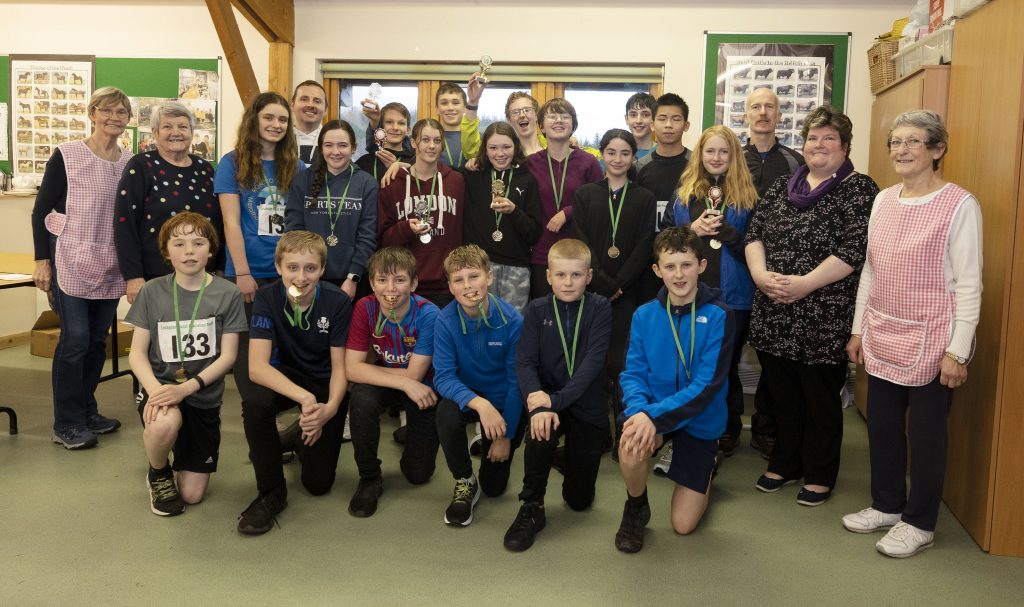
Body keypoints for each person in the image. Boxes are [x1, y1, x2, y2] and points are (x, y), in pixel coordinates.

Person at [843, 110, 982, 558]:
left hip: (934, 340)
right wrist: (858, 330)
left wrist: (958, 353)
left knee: (926, 438)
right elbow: (870, 270)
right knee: (882, 427)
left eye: (913, 142)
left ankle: (920, 522)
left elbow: (969, 284)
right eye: (895, 142)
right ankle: (887, 504)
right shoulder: (883, 200)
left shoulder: (960, 204)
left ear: (937, 150)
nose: (900, 151)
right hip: (883, 331)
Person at [745, 105, 878, 506]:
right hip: (774, 308)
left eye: (829, 138)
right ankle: (786, 463)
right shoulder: (782, 185)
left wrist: (804, 284)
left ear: (845, 146)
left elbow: (855, 248)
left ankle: (819, 473)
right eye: (812, 138)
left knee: (819, 397)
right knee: (781, 392)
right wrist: (760, 275)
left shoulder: (859, 188)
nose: (819, 145)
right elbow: (754, 232)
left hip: (824, 311)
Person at [614, 226, 734, 553]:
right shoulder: (644, 315)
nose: (678, 274)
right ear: (657, 271)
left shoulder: (720, 316)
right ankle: (636, 506)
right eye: (669, 266)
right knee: (630, 444)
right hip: (654, 411)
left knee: (682, 526)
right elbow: (633, 373)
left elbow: (706, 385)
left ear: (702, 266)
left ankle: (708, 464)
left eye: (686, 265)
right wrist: (640, 411)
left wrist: (652, 417)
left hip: (699, 418)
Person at [31, 86, 133, 450]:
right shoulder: (68, 155)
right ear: (92, 113)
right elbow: (40, 210)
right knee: (73, 342)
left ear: (128, 120)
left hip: (109, 262)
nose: (113, 118)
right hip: (69, 258)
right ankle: (67, 423)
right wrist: (42, 261)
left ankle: (88, 410)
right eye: (106, 110)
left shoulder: (128, 161)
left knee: (95, 342)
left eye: (121, 112)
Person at [125, 212, 246, 516]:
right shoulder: (152, 292)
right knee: (165, 423)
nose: (189, 251)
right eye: (179, 244)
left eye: (198, 242)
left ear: (211, 249)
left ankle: (181, 447)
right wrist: (156, 390)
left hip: (202, 394)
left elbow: (228, 356)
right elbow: (136, 353)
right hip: (160, 389)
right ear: (166, 252)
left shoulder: (228, 293)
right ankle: (158, 471)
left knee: (192, 496)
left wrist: (187, 389)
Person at [236, 231, 353, 535]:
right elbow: (258, 368)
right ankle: (272, 493)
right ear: (278, 267)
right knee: (256, 403)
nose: (301, 277)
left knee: (317, 485)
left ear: (322, 270)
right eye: (292, 267)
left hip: (324, 382)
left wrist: (330, 408)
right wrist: (305, 399)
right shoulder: (266, 297)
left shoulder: (338, 302)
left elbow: (342, 368)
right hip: (289, 379)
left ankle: (293, 437)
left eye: (310, 268)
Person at [504, 238, 612, 551]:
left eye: (576, 275)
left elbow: (593, 363)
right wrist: (538, 403)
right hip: (548, 402)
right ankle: (532, 506)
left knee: (578, 502)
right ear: (548, 276)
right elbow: (524, 362)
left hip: (584, 403)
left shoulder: (600, 308)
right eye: (560, 275)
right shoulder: (537, 310)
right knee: (540, 430)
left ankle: (568, 457)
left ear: (589, 276)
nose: (568, 282)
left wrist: (556, 400)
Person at [662, 125, 759, 458]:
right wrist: (692, 230)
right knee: (689, 361)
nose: (716, 158)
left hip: (735, 296)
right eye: (710, 151)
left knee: (725, 366)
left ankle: (728, 428)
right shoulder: (684, 194)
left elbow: (760, 247)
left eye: (724, 152)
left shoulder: (749, 196)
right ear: (699, 155)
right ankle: (687, 423)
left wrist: (730, 234)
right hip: (691, 293)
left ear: (733, 157)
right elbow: (666, 242)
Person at [571, 128, 656, 446]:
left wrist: (618, 285)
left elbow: (646, 243)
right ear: (602, 154)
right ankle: (593, 433)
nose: (618, 159)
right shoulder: (585, 194)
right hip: (592, 291)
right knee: (591, 360)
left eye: (625, 153)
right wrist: (603, 282)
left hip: (628, 293)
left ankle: (625, 434)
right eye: (611, 152)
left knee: (623, 365)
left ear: (634, 158)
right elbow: (582, 240)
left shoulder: (643, 198)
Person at [345, 247, 441, 517]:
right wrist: (406, 382)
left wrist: (409, 382)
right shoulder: (365, 307)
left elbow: (416, 375)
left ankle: (411, 434)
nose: (390, 288)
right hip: (394, 382)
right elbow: (352, 369)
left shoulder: (429, 314)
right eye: (382, 280)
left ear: (413, 284)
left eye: (399, 280)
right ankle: (369, 477)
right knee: (361, 399)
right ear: (372, 283)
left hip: (425, 389)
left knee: (418, 475)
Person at [433, 244, 524, 527]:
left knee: (494, 488)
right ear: (450, 287)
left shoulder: (512, 320)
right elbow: (443, 377)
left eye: (474, 277)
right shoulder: (444, 320)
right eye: (458, 280)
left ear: (489, 277)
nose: (468, 286)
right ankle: (463, 480)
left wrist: (504, 436)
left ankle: (489, 442)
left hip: (502, 400)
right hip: (470, 399)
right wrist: (480, 404)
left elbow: (516, 383)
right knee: (445, 412)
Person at [742, 87, 805, 460]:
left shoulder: (795, 160)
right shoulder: (733, 156)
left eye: (770, 106)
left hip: (778, 274)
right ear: (745, 114)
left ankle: (765, 428)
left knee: (772, 356)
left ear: (779, 115)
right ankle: (727, 430)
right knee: (727, 349)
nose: (763, 112)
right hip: (736, 267)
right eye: (756, 107)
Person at [116, 101, 221, 303]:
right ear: (155, 132)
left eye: (182, 126)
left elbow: (217, 224)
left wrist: (220, 267)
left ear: (192, 131)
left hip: (203, 275)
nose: (176, 132)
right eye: (167, 126)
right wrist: (133, 277)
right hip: (156, 277)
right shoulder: (140, 166)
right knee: (161, 333)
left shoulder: (205, 169)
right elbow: (124, 223)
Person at [285, 119, 378, 299]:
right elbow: (294, 232)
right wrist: (303, 275)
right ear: (321, 148)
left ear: (353, 147)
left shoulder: (367, 184)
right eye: (329, 145)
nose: (335, 152)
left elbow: (367, 236)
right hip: (309, 278)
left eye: (342, 145)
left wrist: (353, 278)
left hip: (352, 281)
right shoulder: (302, 181)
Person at [378, 118, 466, 307]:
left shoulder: (457, 181)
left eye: (437, 140)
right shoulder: (392, 183)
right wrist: (405, 228)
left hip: (446, 284)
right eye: (425, 140)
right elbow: (383, 239)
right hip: (406, 284)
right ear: (413, 142)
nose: (432, 146)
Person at [526, 98, 604, 298]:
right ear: (541, 126)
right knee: (544, 315)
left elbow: (598, 203)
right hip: (542, 254)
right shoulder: (530, 163)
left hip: (579, 252)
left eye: (565, 116)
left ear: (573, 125)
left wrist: (568, 213)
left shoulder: (589, 162)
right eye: (552, 116)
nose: (558, 120)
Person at [461, 121, 543, 310]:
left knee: (513, 327)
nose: (500, 154)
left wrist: (514, 211)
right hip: (478, 266)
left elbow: (533, 233)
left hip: (516, 268)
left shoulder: (527, 179)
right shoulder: (472, 175)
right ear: (485, 148)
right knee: (479, 322)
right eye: (493, 148)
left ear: (516, 146)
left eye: (506, 147)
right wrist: (399, 163)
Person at [635, 93, 693, 304]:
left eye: (676, 119)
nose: (668, 125)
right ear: (652, 124)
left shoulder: (697, 165)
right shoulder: (639, 167)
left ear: (686, 125)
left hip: (687, 259)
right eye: (662, 119)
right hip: (649, 260)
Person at [356, 101, 416, 183]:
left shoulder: (414, 161)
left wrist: (400, 170)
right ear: (381, 128)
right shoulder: (365, 162)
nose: (395, 127)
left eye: (401, 123)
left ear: (408, 130)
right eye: (389, 122)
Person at [291, 80, 327, 164]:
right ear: (292, 105)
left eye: (317, 101)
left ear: (325, 109)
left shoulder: (332, 142)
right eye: (304, 99)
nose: (310, 105)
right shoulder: (281, 139)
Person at [435, 82, 467, 168]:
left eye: (455, 103)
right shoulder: (429, 139)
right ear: (437, 109)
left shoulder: (474, 139)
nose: (450, 108)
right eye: (444, 103)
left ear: (465, 108)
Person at [624, 92, 657, 160]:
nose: (638, 121)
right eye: (633, 115)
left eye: (645, 115)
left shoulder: (663, 152)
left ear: (654, 119)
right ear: (626, 119)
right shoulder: (615, 153)